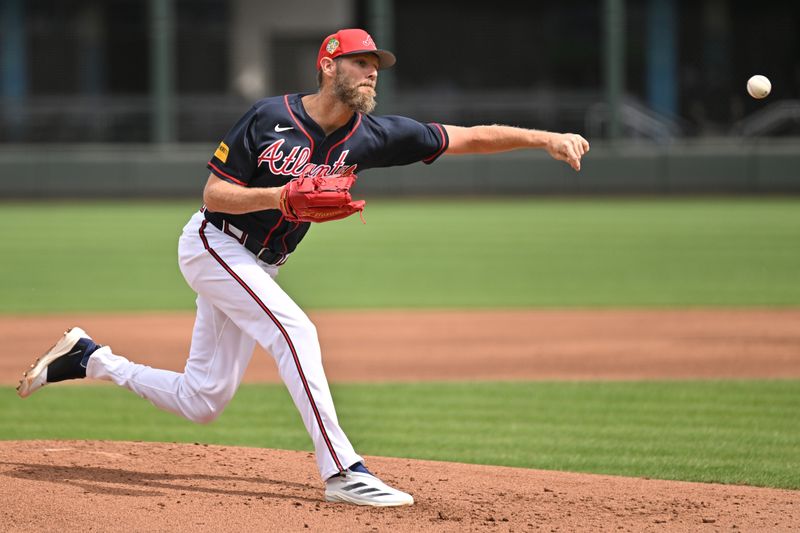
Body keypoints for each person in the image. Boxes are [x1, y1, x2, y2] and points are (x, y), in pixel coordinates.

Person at [17, 28, 589, 507]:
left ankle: (90, 359)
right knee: (296, 330)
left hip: (261, 265)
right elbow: (214, 194)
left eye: (375, 66)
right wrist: (281, 198)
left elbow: (467, 136)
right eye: (359, 62)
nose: (371, 73)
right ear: (327, 65)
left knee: (203, 399)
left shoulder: (374, 135)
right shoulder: (269, 117)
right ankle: (343, 470)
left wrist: (546, 139)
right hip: (215, 244)